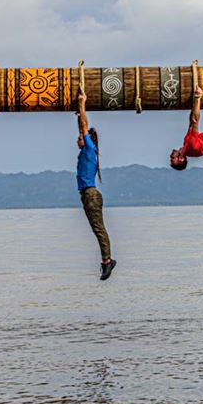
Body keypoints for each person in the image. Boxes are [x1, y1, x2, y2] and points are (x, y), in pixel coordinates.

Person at [76, 92, 117, 281]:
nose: (77, 139)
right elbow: (82, 125)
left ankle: (107, 262)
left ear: (87, 139)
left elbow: (84, 124)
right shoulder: (88, 151)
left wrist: (82, 104)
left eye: (80, 137)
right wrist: (79, 111)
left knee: (99, 228)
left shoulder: (90, 148)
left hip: (90, 195)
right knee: (97, 228)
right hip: (88, 195)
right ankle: (106, 260)